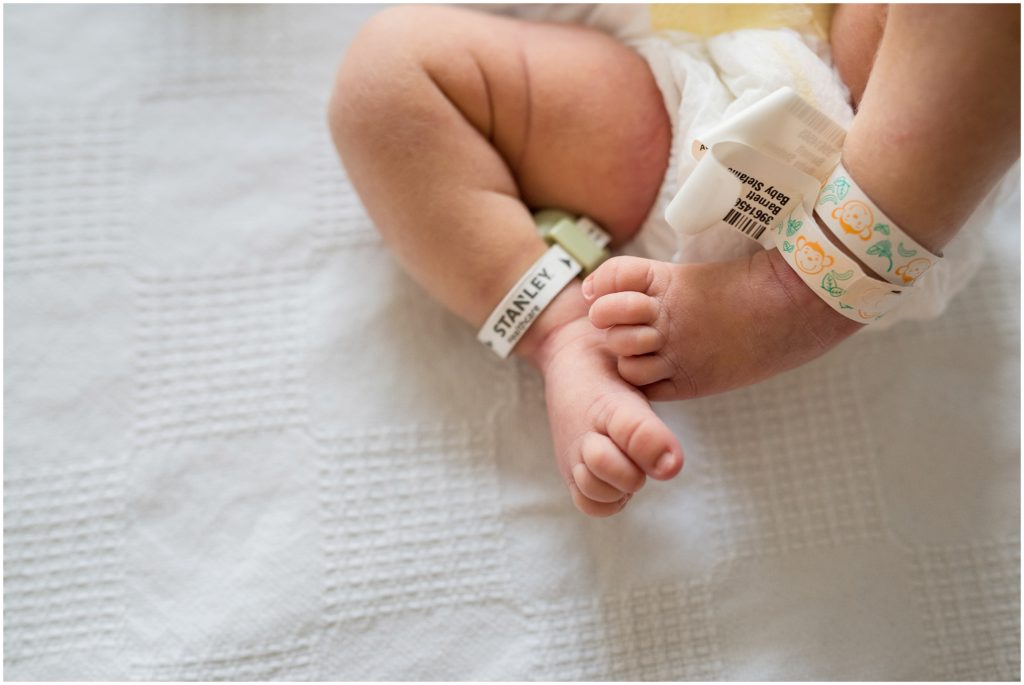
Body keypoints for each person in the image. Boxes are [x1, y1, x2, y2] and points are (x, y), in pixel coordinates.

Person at [328, 4, 1020, 516]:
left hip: (873, 112)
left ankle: (804, 290)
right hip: (662, 94)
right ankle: (562, 327)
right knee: (385, 76)